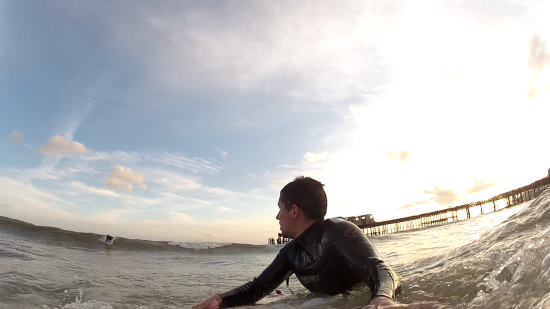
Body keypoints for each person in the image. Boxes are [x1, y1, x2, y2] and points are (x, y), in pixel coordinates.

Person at [192, 176, 437, 309]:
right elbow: (259, 288)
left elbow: (379, 268)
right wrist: (220, 300)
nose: (277, 216)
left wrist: (382, 298)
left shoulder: (338, 232)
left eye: (280, 209)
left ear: (294, 210)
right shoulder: (290, 252)